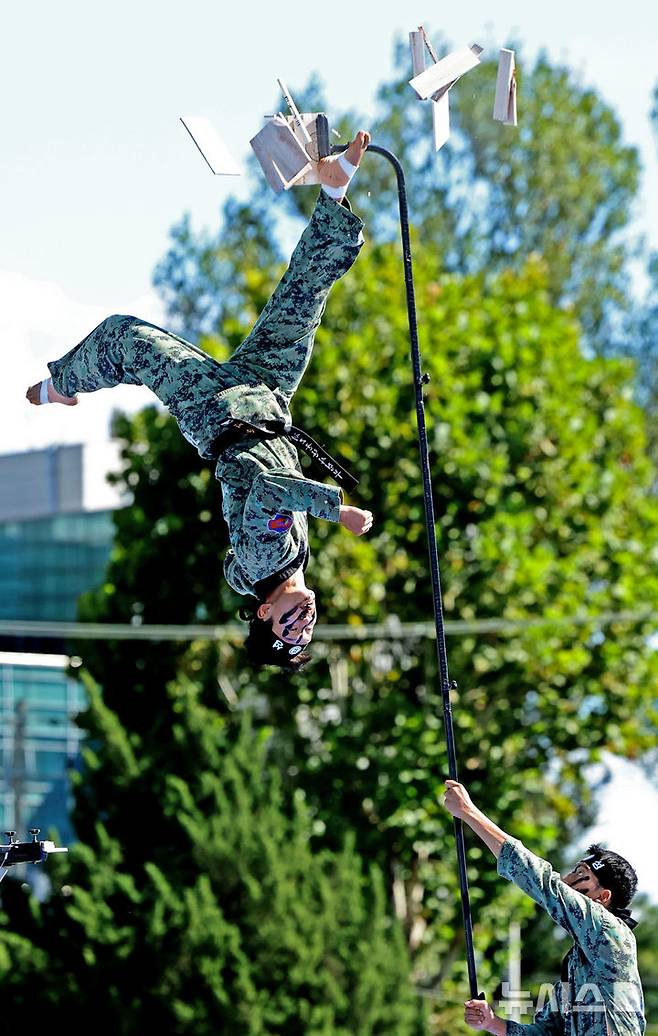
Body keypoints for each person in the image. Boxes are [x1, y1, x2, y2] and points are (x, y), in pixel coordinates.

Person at [26, 131, 374, 671]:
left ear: (263, 614)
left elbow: (267, 491)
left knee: (129, 340)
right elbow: (254, 530)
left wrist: (338, 511)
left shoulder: (268, 558)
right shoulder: (280, 566)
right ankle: (333, 193)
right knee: (303, 297)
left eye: (289, 626)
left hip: (220, 411)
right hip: (267, 400)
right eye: (307, 629)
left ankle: (58, 387)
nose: (303, 620)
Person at [443, 780, 646, 1035]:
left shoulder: (609, 931)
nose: (566, 879)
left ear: (602, 897)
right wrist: (491, 1022)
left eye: (580, 874)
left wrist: (469, 813)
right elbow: (543, 1033)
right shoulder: (572, 970)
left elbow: (543, 882)